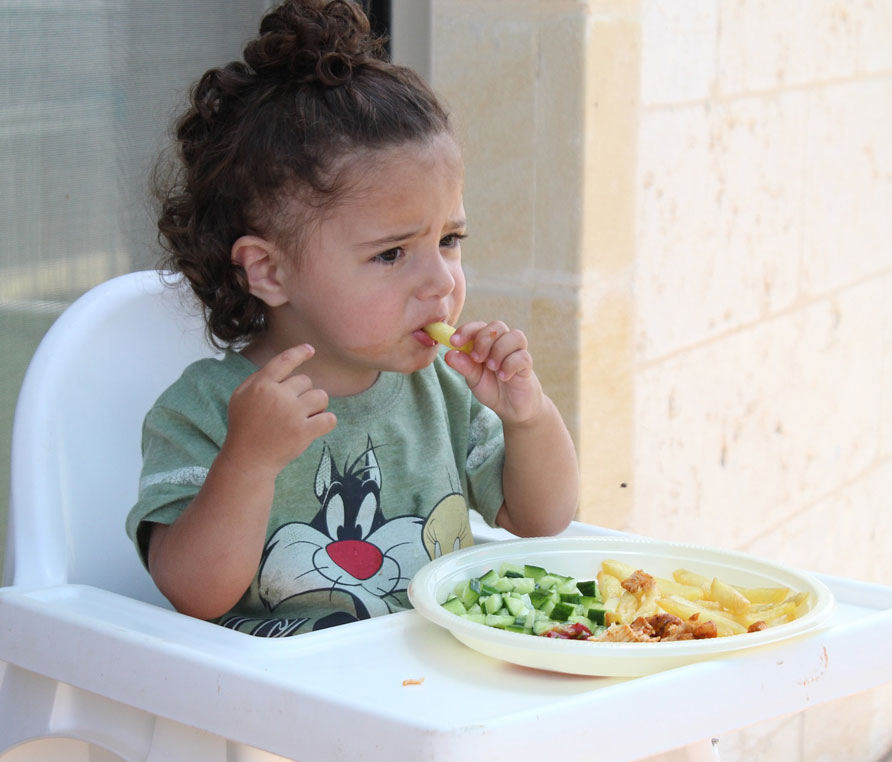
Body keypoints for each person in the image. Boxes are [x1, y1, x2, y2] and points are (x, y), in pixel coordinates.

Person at [126, 0, 579, 637]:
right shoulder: (206, 409)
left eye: (449, 240)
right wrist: (248, 462)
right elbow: (196, 594)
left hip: (429, 684)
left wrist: (527, 416)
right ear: (270, 272)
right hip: (285, 713)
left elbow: (543, 517)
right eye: (391, 253)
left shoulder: (442, 390)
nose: (442, 282)